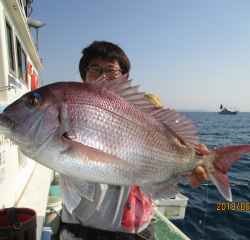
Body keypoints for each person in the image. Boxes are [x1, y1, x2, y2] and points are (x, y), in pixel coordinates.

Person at [60, 41, 210, 240]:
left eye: (111, 70)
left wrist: (191, 158)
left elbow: (165, 148)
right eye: (94, 69)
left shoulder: (144, 116)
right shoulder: (69, 111)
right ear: (83, 77)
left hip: (138, 234)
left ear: (124, 77)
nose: (103, 76)